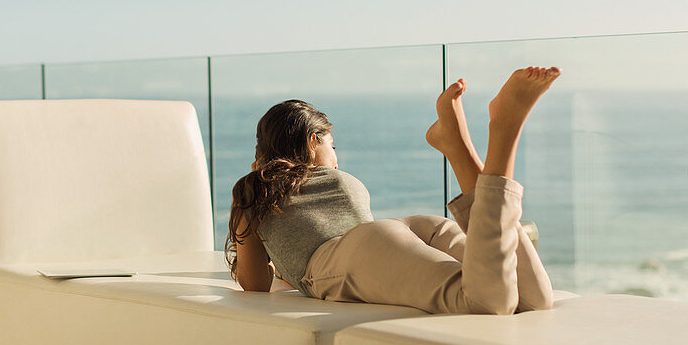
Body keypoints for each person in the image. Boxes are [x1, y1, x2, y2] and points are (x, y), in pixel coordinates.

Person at [225, 66, 560, 315]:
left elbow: (254, 283)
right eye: (334, 146)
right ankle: (457, 147)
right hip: (407, 229)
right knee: (536, 300)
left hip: (358, 252)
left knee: (485, 302)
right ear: (313, 140)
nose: (336, 158)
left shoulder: (255, 189)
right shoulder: (338, 183)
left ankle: (504, 129)